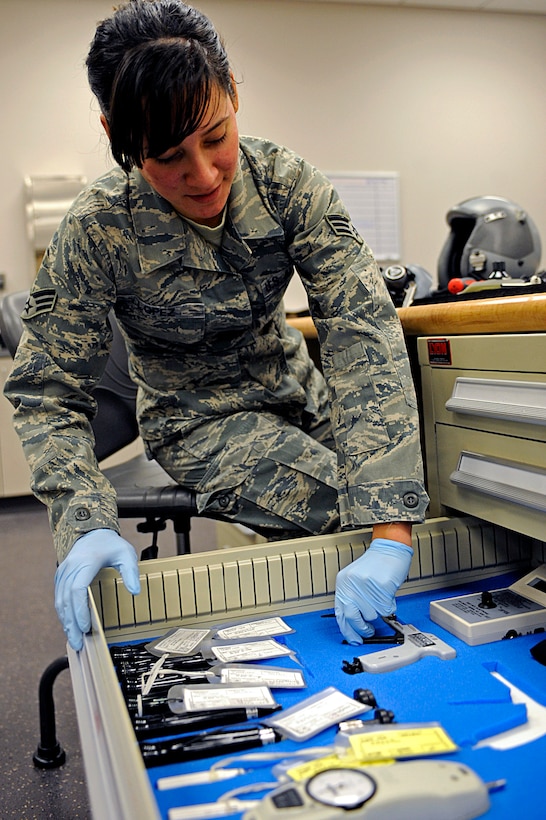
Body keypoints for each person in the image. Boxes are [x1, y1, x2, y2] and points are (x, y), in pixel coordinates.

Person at [4, 0, 429, 652]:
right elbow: (47, 389)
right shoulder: (98, 227)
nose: (203, 175)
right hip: (195, 419)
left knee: (411, 508)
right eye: (168, 154)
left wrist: (395, 525)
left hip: (293, 389)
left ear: (233, 95)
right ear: (116, 132)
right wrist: (83, 518)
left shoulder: (287, 185)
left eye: (215, 137)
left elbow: (361, 329)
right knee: (346, 517)